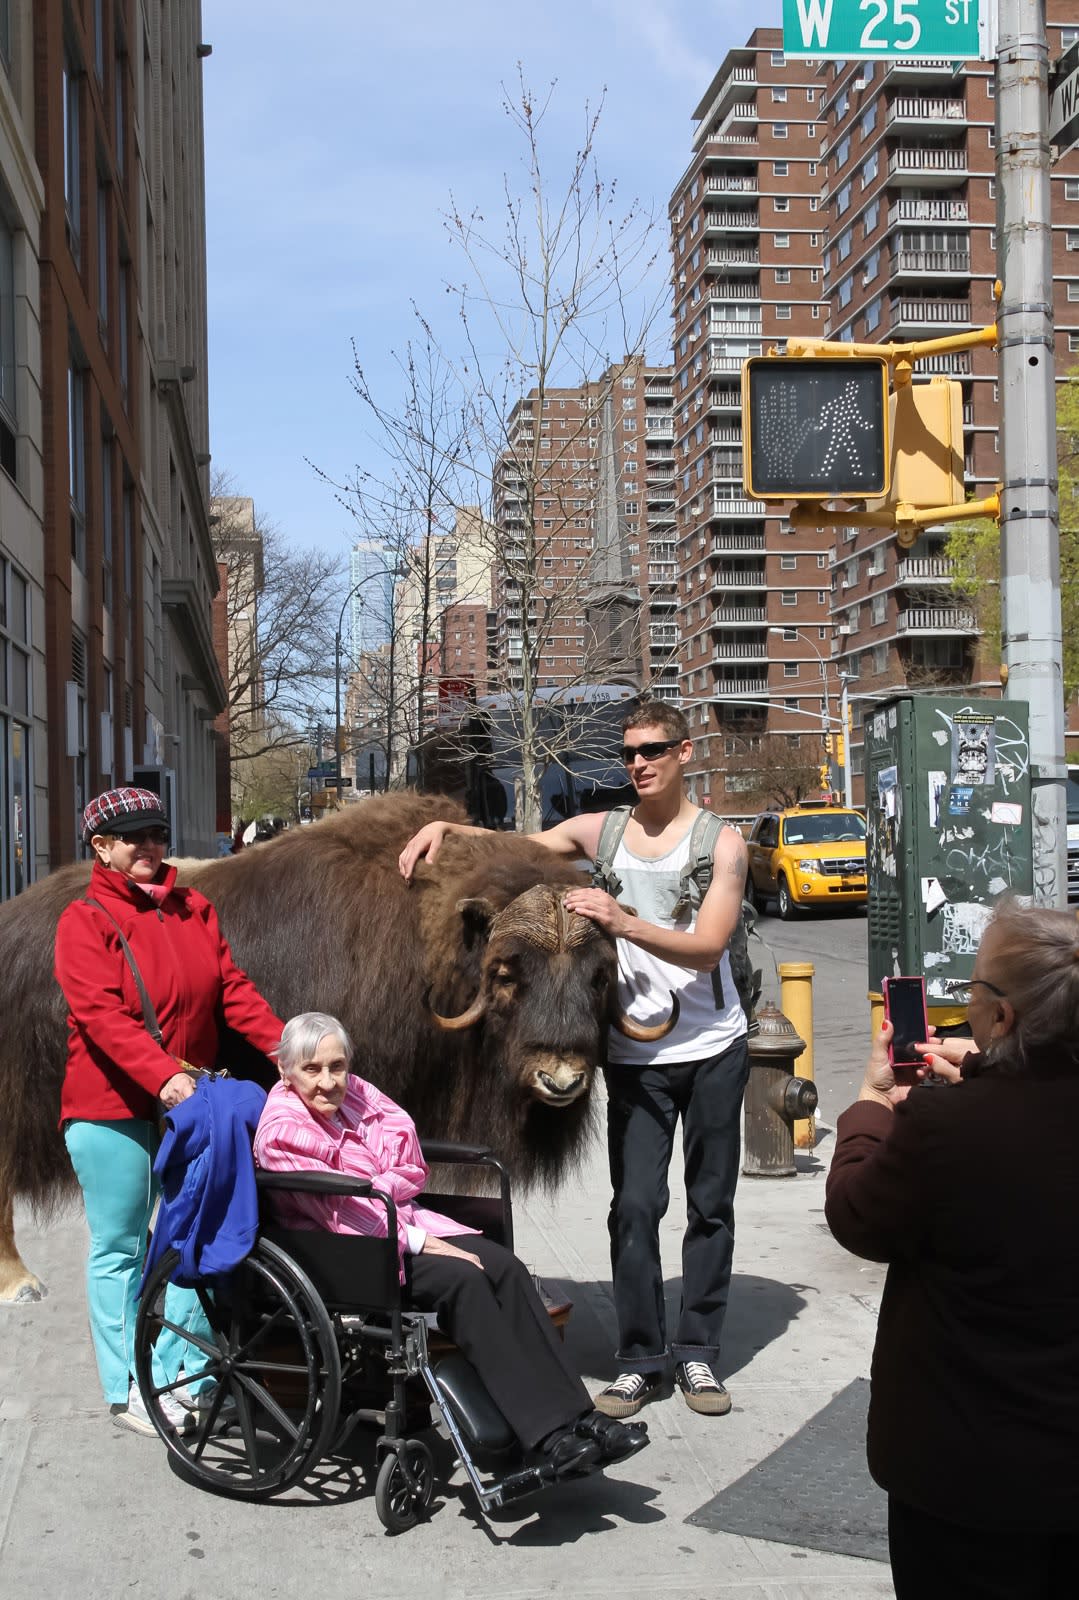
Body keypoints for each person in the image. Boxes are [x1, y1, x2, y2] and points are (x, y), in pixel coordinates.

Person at [398, 701, 750, 1420]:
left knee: (710, 1206)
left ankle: (699, 1355)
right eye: (628, 754)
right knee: (637, 1206)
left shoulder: (724, 843)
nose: (638, 764)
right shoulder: (604, 831)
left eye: (652, 750)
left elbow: (710, 946)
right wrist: (447, 828)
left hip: (713, 1045)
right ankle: (639, 1358)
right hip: (633, 1050)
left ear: (685, 753)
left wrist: (622, 923)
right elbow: (519, 843)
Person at [254, 1012, 649, 1479]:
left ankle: (583, 1419)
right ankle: (547, 1437)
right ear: (285, 1069)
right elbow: (344, 1206)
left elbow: (408, 1153)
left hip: (395, 1221)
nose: (328, 1081)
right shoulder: (282, 1129)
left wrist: (382, 1186)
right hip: (349, 1250)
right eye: (312, 1069)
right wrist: (420, 1237)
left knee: (505, 1266)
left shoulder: (357, 1092)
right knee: (465, 1282)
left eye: (336, 1066)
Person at [825, 901, 1079, 1600]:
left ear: (1002, 1018)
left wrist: (874, 1103)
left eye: (971, 991)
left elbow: (856, 1216)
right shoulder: (965, 1115)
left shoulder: (944, 1128)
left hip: (968, 1476)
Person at [56, 786, 285, 1436]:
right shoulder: (85, 920)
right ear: (101, 847)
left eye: (156, 833)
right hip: (112, 1109)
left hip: (191, 1107)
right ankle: (128, 1387)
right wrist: (163, 1079)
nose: (149, 846)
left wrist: (285, 1047)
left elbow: (231, 991)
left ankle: (183, 1372)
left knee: (195, 1236)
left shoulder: (193, 909)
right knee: (122, 1248)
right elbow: (100, 1014)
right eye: (133, 837)